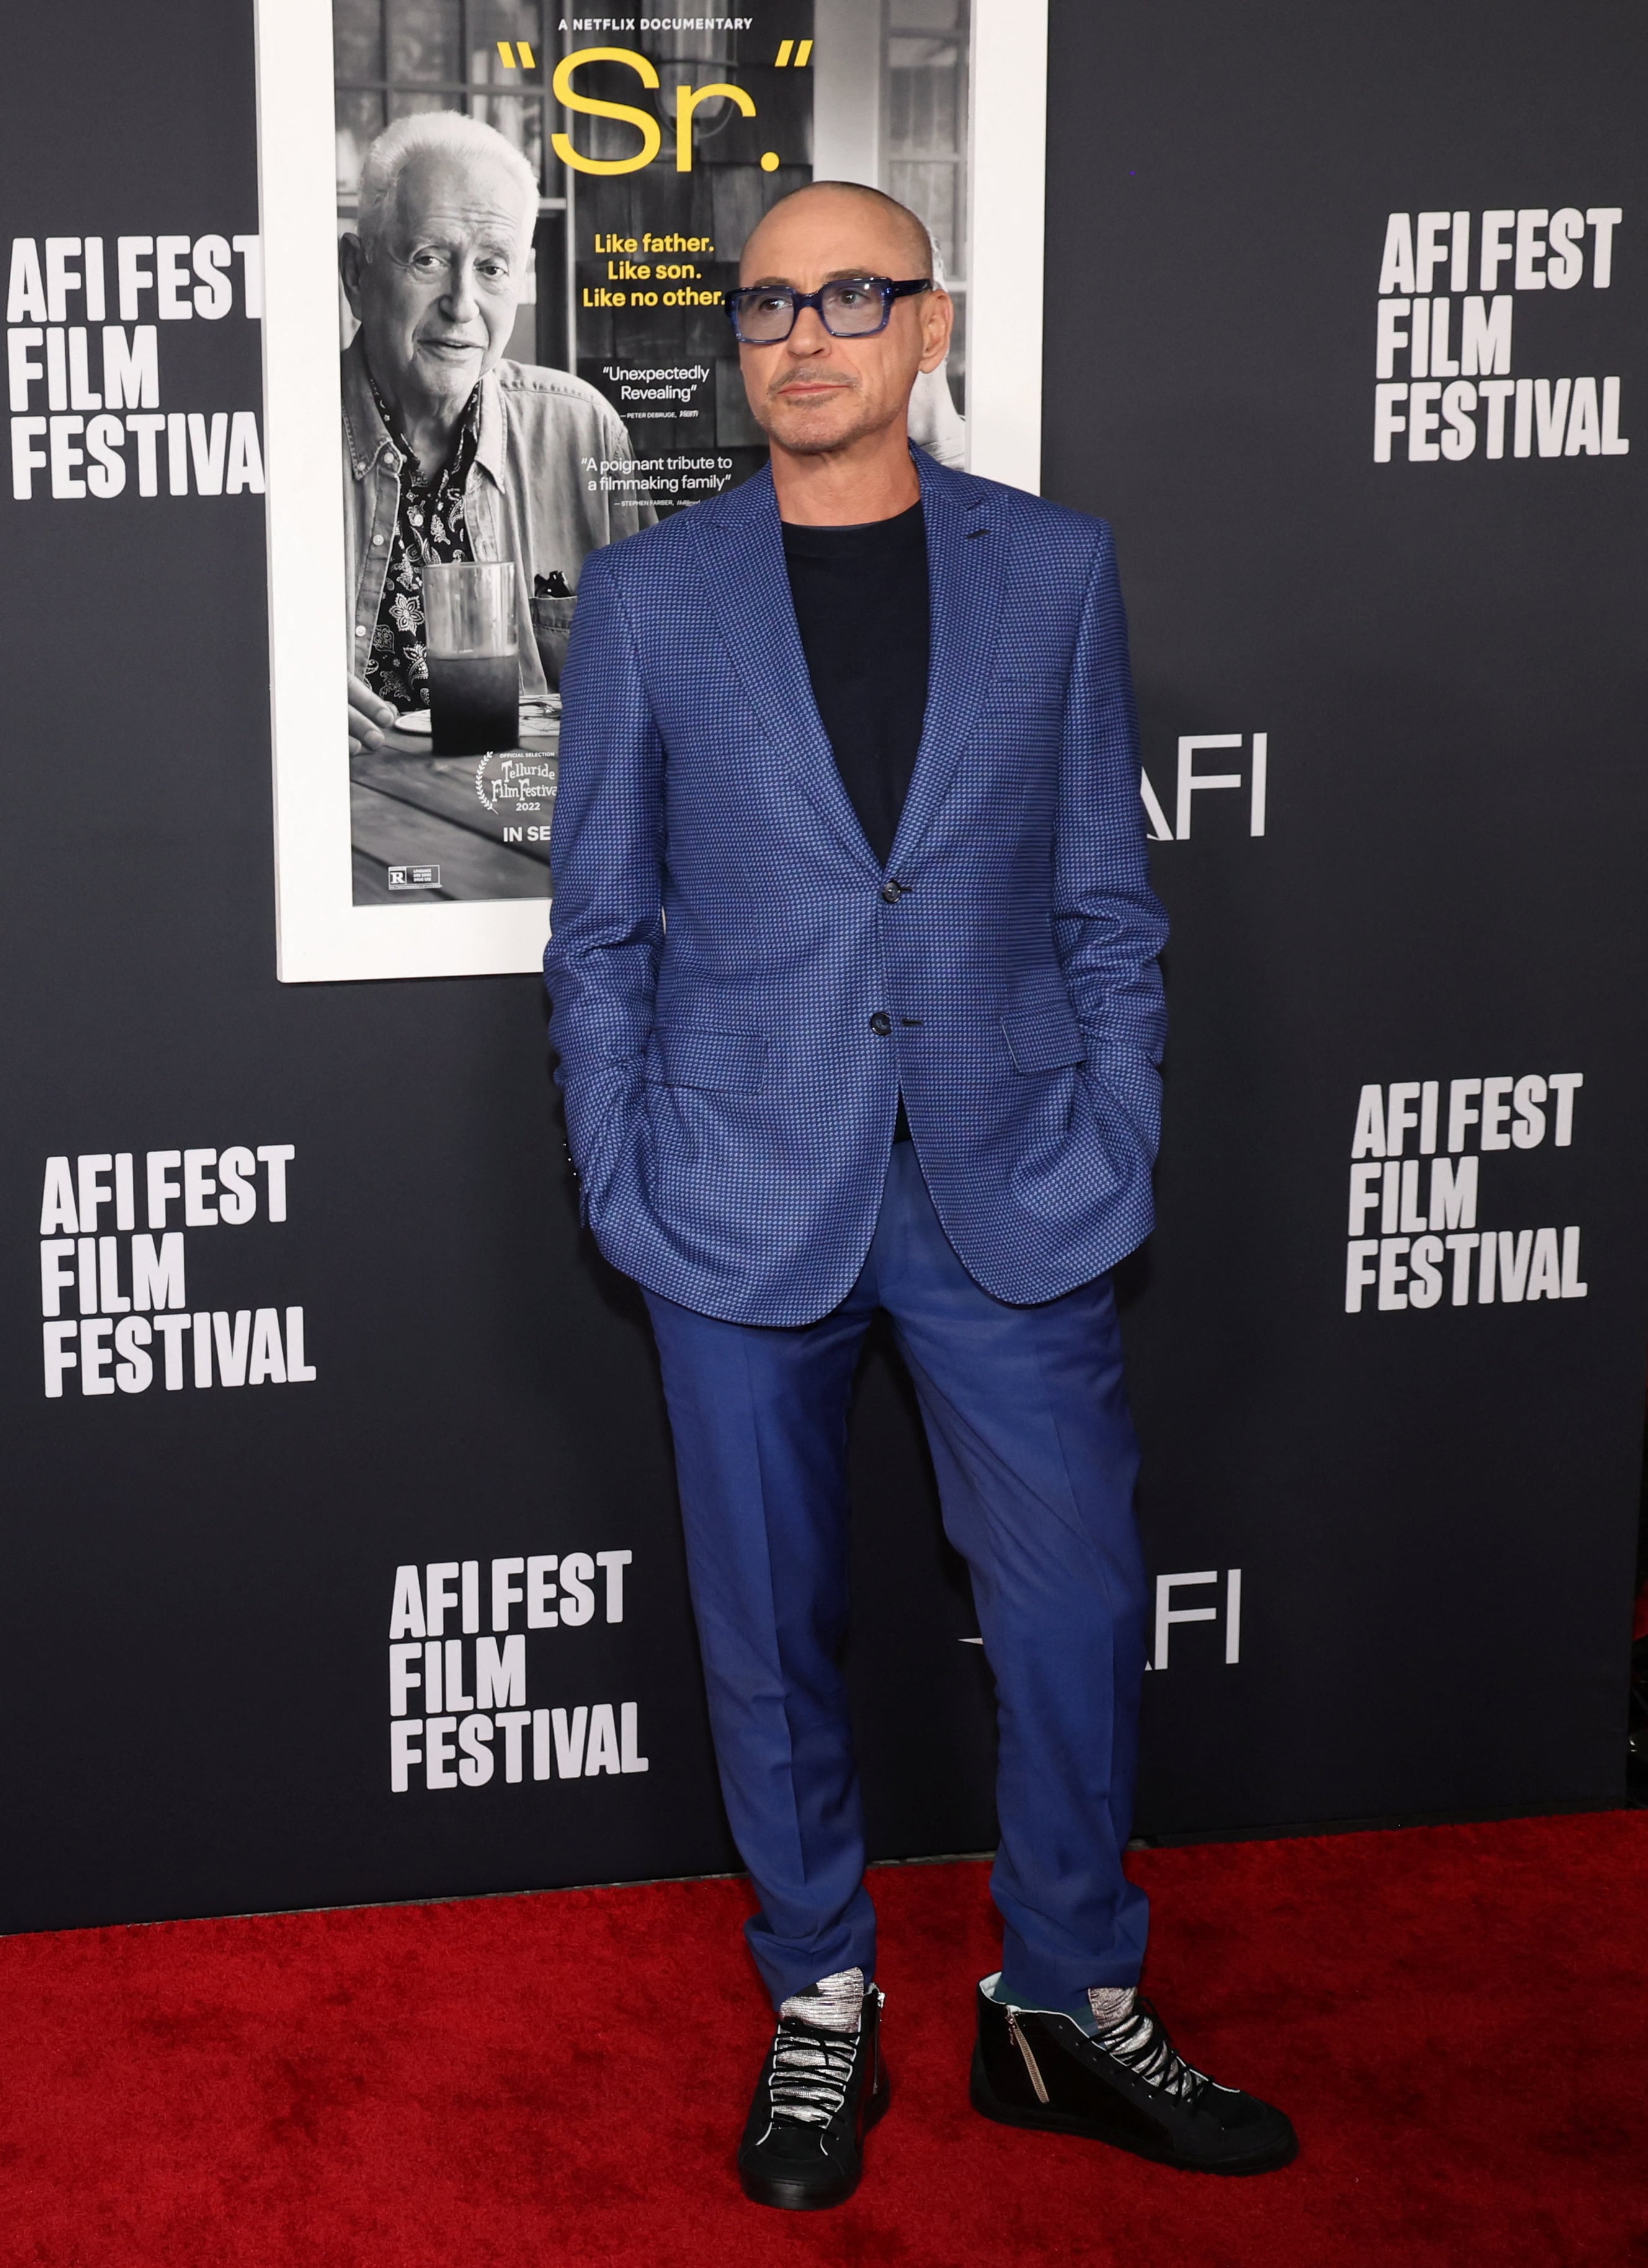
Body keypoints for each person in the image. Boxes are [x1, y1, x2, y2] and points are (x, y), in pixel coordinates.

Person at [543, 180, 1296, 2210]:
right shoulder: (647, 595)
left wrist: (1109, 1127)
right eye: (767, 302)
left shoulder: (1048, 571)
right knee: (765, 1632)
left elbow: (1096, 899)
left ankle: (1063, 1996)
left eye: (847, 295)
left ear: (924, 324)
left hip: (1007, 1187)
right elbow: (599, 923)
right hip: (726, 1191)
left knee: (1064, 1613)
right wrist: (620, 1175)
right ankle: (818, 2000)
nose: (802, 334)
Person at [339, 112, 652, 753]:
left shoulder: (581, 431)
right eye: (429, 259)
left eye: (491, 267)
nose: (462, 304)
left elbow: (666, 677)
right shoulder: (279, 434)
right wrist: (276, 695)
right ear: (356, 274)